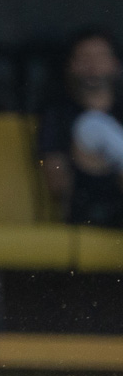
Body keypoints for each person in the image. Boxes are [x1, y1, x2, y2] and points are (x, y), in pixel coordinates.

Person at [36, 29, 123, 228]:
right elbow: (56, 182)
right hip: (91, 211)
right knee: (90, 126)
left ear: (116, 64)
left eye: (100, 57)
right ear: (71, 65)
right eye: (84, 57)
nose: (92, 66)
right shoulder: (58, 115)